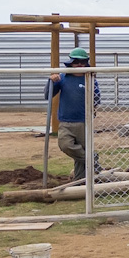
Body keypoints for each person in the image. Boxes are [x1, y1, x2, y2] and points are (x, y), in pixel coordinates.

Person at [46, 47, 100, 182]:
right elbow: (48, 95)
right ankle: (92, 160)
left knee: (80, 155)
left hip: (84, 121)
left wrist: (92, 109)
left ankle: (80, 182)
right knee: (65, 145)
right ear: (70, 63)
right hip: (66, 121)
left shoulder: (90, 78)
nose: (79, 65)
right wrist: (51, 81)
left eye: (82, 62)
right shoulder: (63, 78)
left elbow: (97, 99)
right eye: (76, 62)